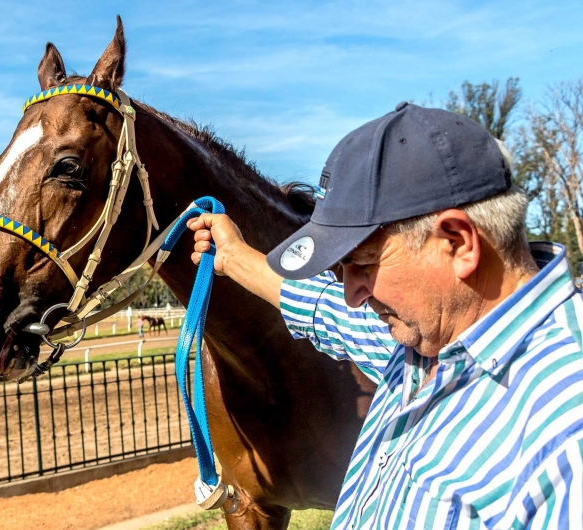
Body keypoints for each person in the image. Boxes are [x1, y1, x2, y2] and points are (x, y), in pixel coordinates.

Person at [188, 103, 583, 529]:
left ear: (458, 243)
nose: (353, 296)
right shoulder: (430, 342)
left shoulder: (564, 431)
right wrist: (233, 257)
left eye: (365, 264)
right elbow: (324, 310)